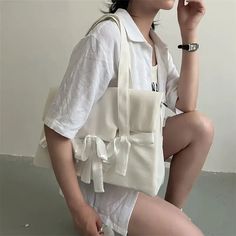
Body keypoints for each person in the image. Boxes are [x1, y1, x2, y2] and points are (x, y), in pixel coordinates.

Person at [43, 0, 214, 235]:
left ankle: (164, 216)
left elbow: (186, 103)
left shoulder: (155, 46)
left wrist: (189, 31)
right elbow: (57, 129)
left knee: (200, 127)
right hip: (102, 177)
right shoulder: (107, 36)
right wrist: (78, 208)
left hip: (128, 158)